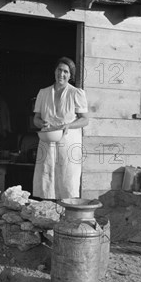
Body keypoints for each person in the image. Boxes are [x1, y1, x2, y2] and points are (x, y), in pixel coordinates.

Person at [32, 57, 89, 199]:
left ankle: (67, 215)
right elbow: (36, 119)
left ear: (70, 75)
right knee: (46, 177)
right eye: (59, 70)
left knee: (67, 179)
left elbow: (85, 119)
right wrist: (41, 123)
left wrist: (69, 125)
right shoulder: (43, 93)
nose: (61, 74)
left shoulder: (76, 93)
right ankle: (48, 214)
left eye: (65, 71)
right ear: (54, 71)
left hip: (68, 142)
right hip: (47, 140)